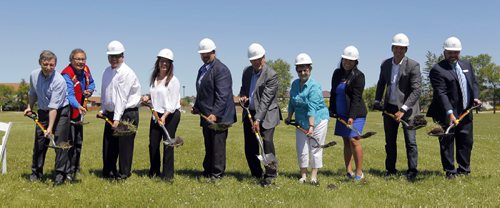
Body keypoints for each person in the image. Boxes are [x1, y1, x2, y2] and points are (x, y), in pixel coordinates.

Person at [426, 36, 481, 179]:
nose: (453, 55)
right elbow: (441, 93)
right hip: (446, 112)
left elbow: (473, 83)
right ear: (444, 52)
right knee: (447, 141)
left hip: (465, 111)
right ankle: (450, 171)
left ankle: (464, 169)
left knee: (466, 141)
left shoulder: (467, 65)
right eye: (450, 52)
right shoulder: (437, 69)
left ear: (460, 52)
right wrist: (449, 112)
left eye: (455, 52)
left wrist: (475, 97)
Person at [373, 33, 421, 180]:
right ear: (392, 48)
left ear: (406, 50)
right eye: (397, 48)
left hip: (408, 109)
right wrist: (377, 100)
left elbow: (416, 90)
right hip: (390, 108)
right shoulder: (385, 64)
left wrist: (403, 109)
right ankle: (390, 170)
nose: (399, 51)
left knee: (410, 142)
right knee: (390, 141)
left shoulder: (413, 65)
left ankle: (412, 171)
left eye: (402, 48)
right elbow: (381, 83)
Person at [191, 38, 236, 182]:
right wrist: (197, 106)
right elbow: (202, 91)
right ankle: (208, 170)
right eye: (202, 53)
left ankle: (217, 175)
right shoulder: (203, 69)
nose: (204, 56)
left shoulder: (221, 69)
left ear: (214, 52)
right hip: (206, 115)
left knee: (217, 146)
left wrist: (215, 114)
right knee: (208, 144)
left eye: (207, 53)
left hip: (219, 117)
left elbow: (223, 95)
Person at [24, 50, 70, 185]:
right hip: (43, 111)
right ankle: (36, 173)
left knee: (60, 144)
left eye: (52, 65)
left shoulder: (59, 81)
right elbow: (32, 93)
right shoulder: (33, 75)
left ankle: (60, 176)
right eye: (45, 64)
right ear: (40, 63)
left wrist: (49, 128)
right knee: (39, 143)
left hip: (61, 112)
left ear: (55, 64)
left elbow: (54, 107)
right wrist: (29, 107)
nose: (48, 68)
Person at [98, 40, 141, 180]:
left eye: (117, 56)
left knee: (124, 146)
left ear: (123, 56)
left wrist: (117, 118)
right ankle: (109, 172)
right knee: (109, 144)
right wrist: (103, 109)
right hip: (111, 113)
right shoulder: (106, 71)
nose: (114, 59)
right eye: (111, 56)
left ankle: (124, 174)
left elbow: (122, 98)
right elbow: (105, 93)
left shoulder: (126, 73)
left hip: (127, 113)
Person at [239, 43, 280, 186]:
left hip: (267, 113)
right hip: (250, 112)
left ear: (264, 57)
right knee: (250, 145)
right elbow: (243, 89)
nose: (256, 62)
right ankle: (256, 173)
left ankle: (270, 173)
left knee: (266, 142)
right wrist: (243, 96)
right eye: (253, 60)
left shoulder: (271, 75)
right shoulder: (247, 72)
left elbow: (265, 101)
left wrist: (258, 120)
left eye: (259, 59)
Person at [285, 53, 329, 186]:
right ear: (296, 71)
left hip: (317, 120)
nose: (302, 73)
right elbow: (292, 103)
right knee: (301, 148)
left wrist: (311, 126)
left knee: (315, 147)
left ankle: (314, 176)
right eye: (300, 70)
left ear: (310, 69)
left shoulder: (314, 86)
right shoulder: (294, 84)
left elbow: (312, 108)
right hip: (301, 121)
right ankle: (303, 175)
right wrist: (289, 117)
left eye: (305, 70)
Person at [141, 48, 181, 182]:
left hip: (171, 114)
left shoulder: (173, 80)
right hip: (156, 114)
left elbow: (173, 102)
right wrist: (147, 97)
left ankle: (168, 176)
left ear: (170, 64)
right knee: (153, 144)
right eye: (162, 61)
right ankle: (154, 171)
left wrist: (164, 117)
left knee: (168, 144)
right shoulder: (154, 78)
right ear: (158, 62)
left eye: (167, 62)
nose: (164, 64)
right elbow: (155, 96)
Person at [329, 46, 367, 181]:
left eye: (351, 61)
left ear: (356, 62)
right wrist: (331, 109)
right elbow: (333, 92)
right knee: (346, 141)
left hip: (356, 114)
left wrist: (352, 116)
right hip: (341, 113)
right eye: (345, 59)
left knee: (354, 140)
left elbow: (356, 98)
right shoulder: (337, 73)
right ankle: (348, 170)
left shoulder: (359, 76)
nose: (347, 62)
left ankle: (359, 172)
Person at [61, 48, 95, 181]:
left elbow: (91, 83)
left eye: (83, 59)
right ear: (71, 60)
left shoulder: (86, 70)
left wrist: (90, 91)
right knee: (70, 142)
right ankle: (67, 171)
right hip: (69, 112)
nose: (81, 62)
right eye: (78, 59)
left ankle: (75, 168)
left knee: (79, 141)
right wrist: (79, 106)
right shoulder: (66, 74)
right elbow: (69, 95)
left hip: (79, 112)